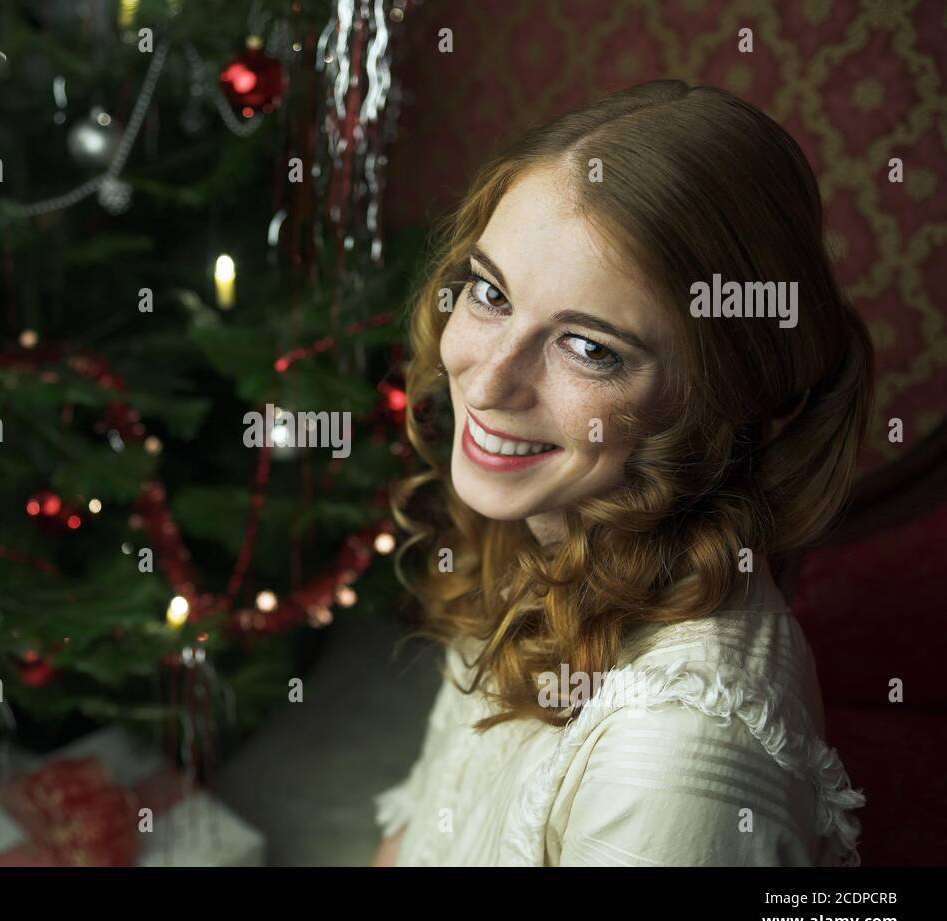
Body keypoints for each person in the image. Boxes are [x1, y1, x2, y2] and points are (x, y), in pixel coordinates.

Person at [372, 79, 873, 866]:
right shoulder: (554, 526)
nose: (487, 380)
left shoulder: (678, 758)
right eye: (491, 293)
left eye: (590, 347)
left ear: (719, 392)